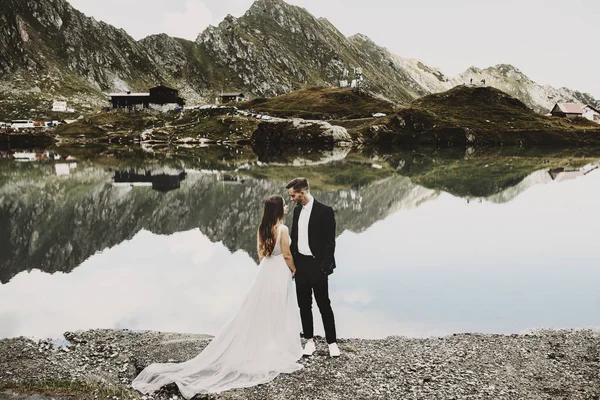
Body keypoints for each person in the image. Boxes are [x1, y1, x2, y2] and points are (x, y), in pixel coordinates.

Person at [132, 196, 303, 399]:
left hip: (265, 270)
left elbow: (262, 253)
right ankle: (274, 347)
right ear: (277, 209)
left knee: (261, 310)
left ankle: (265, 345)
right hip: (278, 272)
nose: (286, 206)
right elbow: (286, 254)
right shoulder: (282, 229)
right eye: (283, 204)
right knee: (276, 310)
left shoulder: (263, 228)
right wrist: (293, 270)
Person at [286, 177, 340, 358]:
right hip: (301, 265)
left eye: (293, 195)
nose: (291, 199)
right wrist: (293, 264)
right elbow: (294, 239)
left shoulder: (325, 211)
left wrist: (324, 269)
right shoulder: (297, 211)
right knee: (304, 305)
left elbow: (330, 243)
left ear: (302, 192)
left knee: (324, 305)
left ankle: (332, 343)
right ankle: (309, 341)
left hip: (318, 266)